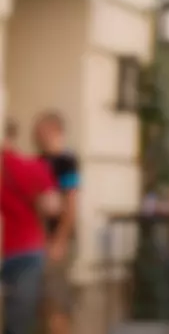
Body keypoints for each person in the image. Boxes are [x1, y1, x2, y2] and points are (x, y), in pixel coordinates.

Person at [1, 121, 60, 334]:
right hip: (28, 250)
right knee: (19, 320)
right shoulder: (33, 167)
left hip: (8, 250)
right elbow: (53, 207)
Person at [32, 111, 79, 334]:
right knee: (42, 303)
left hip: (58, 240)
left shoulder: (66, 162)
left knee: (56, 301)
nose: (37, 137)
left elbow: (71, 203)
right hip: (38, 241)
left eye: (42, 131)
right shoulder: (38, 162)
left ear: (55, 131)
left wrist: (60, 240)